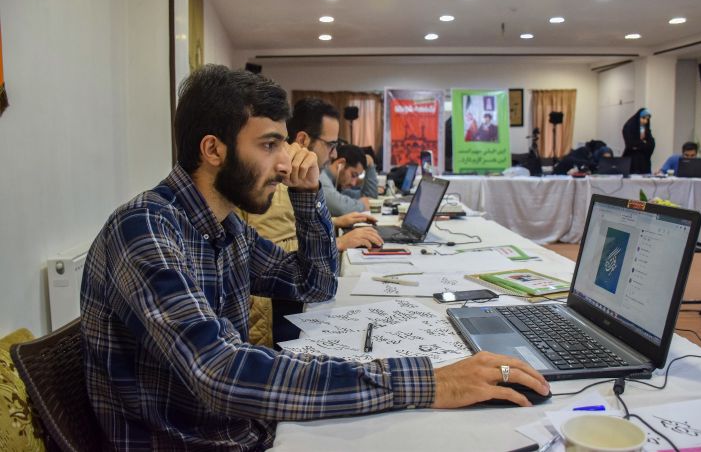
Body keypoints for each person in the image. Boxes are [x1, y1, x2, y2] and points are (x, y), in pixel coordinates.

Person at [80, 64, 549, 450]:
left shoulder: (226, 226)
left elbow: (313, 284)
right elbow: (220, 373)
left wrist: (308, 196)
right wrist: (426, 382)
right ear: (213, 149)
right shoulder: (146, 229)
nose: (286, 163)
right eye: (269, 145)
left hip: (242, 429)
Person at [238, 97, 383, 347]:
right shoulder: (271, 185)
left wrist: (334, 221)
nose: (335, 153)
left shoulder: (288, 183)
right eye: (331, 145)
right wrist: (338, 243)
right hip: (274, 313)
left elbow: (278, 240)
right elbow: (272, 253)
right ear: (304, 140)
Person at [322, 143, 378, 216]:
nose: (353, 183)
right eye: (353, 175)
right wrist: (362, 206)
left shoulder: (338, 185)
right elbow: (339, 207)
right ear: (341, 163)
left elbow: (369, 198)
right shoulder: (321, 177)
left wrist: (370, 164)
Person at [622, 108, 655, 174]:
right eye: (643, 118)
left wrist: (639, 145)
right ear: (638, 117)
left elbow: (651, 144)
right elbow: (630, 144)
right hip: (632, 161)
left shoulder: (646, 129)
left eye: (647, 119)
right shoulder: (629, 127)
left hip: (644, 163)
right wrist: (644, 143)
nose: (645, 121)